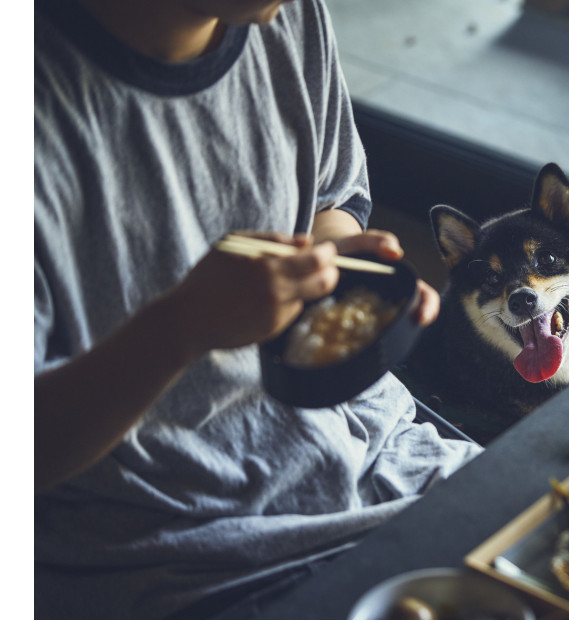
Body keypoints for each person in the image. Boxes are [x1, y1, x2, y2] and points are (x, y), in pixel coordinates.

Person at [33, 0, 482, 617]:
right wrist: (181, 327)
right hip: (178, 550)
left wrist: (333, 270)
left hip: (374, 451)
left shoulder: (277, 12)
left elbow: (332, 191)